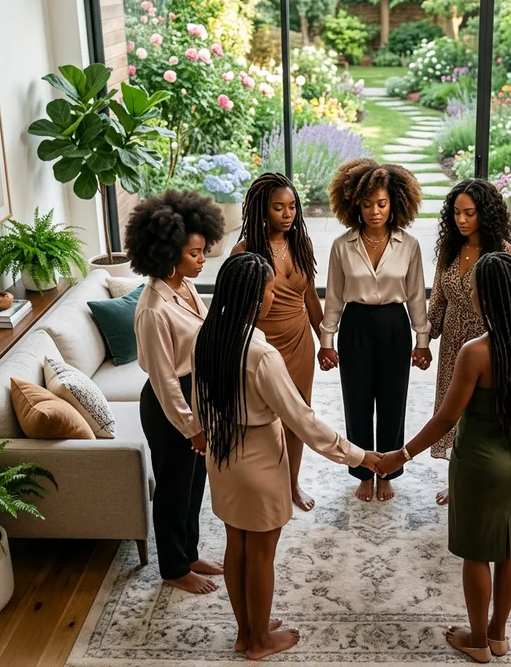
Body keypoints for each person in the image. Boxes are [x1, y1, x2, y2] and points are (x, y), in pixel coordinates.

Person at [192, 253, 380, 659]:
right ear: (252, 299)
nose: (272, 299)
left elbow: (198, 403)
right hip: (259, 459)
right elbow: (302, 420)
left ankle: (247, 630)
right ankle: (259, 641)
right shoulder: (261, 355)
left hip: (223, 456)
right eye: (269, 292)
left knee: (236, 545)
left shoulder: (205, 338)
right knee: (261, 554)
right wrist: (359, 455)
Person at [376, 253, 511, 663]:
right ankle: (499, 635)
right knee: (508, 549)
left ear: (487, 299)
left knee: (477, 552)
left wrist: (400, 454)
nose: (469, 292)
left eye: (474, 288)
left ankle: (476, 640)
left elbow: (446, 419)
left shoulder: (476, 352)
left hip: (480, 463)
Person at [128, 189, 226, 594]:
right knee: (172, 488)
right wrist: (191, 427)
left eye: (203, 251)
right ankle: (173, 569)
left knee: (195, 482)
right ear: (168, 254)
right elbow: (165, 379)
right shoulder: (153, 308)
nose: (202, 260)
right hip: (171, 405)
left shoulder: (184, 289)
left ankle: (189, 551)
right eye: (195, 254)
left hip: (195, 394)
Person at [318, 158, 431, 503]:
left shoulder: (409, 245)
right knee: (357, 400)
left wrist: (422, 340)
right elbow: (335, 295)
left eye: (381, 204)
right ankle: (363, 470)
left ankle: (388, 471)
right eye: (367, 205)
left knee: (394, 401)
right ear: (355, 205)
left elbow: (415, 295)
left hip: (395, 325)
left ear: (395, 203)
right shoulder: (342, 245)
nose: (375, 212)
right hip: (356, 326)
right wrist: (327, 340)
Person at [232, 172, 322, 512]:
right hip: (261, 345)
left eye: (293, 207)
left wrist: (325, 340)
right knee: (263, 419)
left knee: (297, 415)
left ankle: (292, 482)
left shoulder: (302, 244)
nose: (288, 214)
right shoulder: (244, 250)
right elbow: (236, 306)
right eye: (278, 208)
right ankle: (263, 481)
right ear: (261, 210)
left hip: (299, 340)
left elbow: (310, 296)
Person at [428, 178, 511, 506]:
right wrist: (425, 339)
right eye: (456, 213)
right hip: (452, 343)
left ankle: (486, 476)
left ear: (487, 214)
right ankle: (458, 480)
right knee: (452, 412)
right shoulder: (451, 249)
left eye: (469, 213)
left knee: (480, 415)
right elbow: (438, 296)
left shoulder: (504, 253)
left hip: (488, 346)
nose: (461, 220)